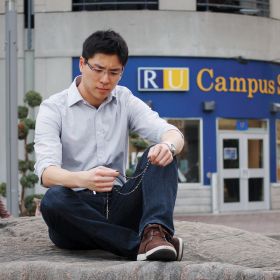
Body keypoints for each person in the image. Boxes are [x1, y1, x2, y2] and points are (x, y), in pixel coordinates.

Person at [34, 30, 185, 261]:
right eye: (98, 69)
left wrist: (168, 147)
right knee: (53, 200)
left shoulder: (124, 99)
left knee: (162, 154)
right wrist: (84, 178)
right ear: (82, 64)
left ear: (122, 71)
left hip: (119, 202)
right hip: (76, 211)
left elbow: (172, 133)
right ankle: (140, 245)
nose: (105, 80)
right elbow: (46, 173)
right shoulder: (53, 108)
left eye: (114, 72)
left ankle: (155, 233)